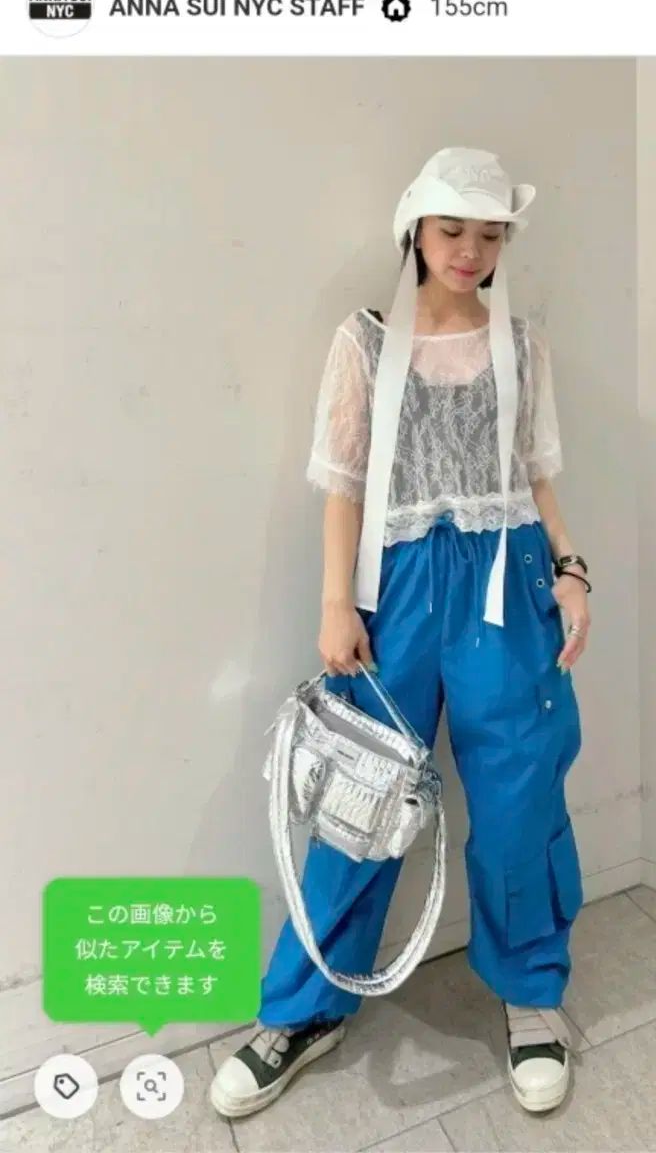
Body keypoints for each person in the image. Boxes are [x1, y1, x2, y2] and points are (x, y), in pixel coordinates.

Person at [210, 147, 592, 1120]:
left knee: (517, 792)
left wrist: (570, 566)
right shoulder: (366, 340)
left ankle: (530, 995)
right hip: (396, 587)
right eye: (451, 230)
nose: (469, 250)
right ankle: (304, 1009)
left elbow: (534, 472)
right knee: (359, 801)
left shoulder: (521, 343)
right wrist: (334, 603)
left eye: (489, 234)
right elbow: (342, 482)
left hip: (506, 578)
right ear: (414, 232)